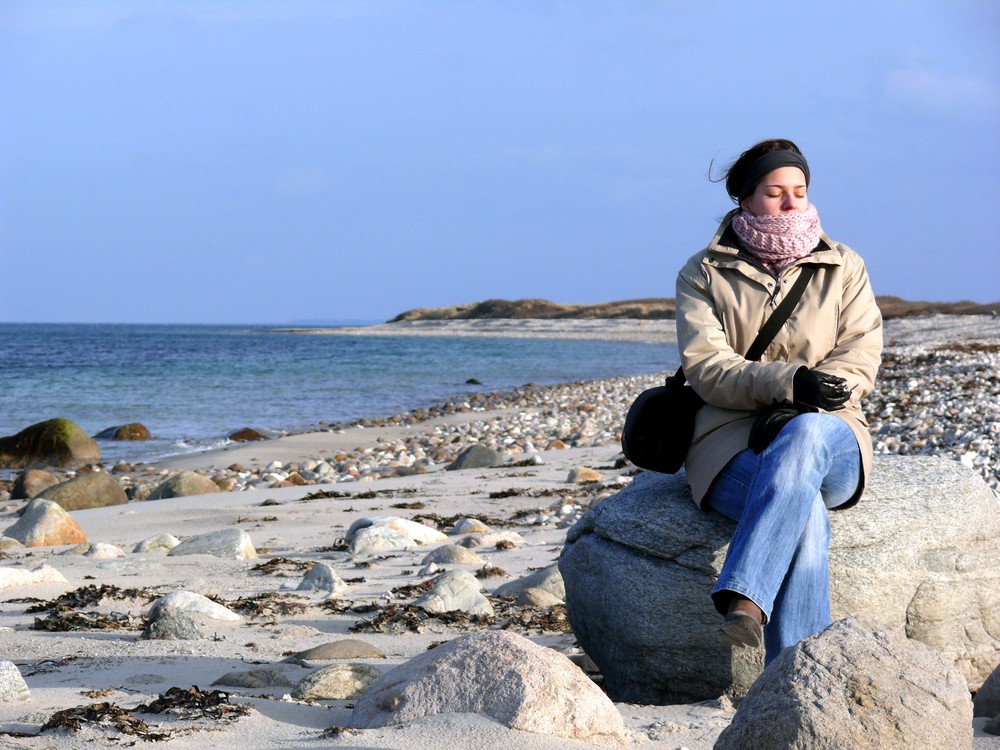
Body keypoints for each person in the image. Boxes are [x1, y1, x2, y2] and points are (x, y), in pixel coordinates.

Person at [674, 138, 883, 665]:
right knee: (803, 508)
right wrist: (790, 382)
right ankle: (796, 678)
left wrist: (815, 396)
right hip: (727, 442)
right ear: (745, 198)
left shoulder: (844, 266)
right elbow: (707, 369)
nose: (792, 202)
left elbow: (862, 351)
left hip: (830, 430)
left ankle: (746, 593)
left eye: (800, 190)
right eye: (775, 192)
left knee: (805, 435)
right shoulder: (702, 273)